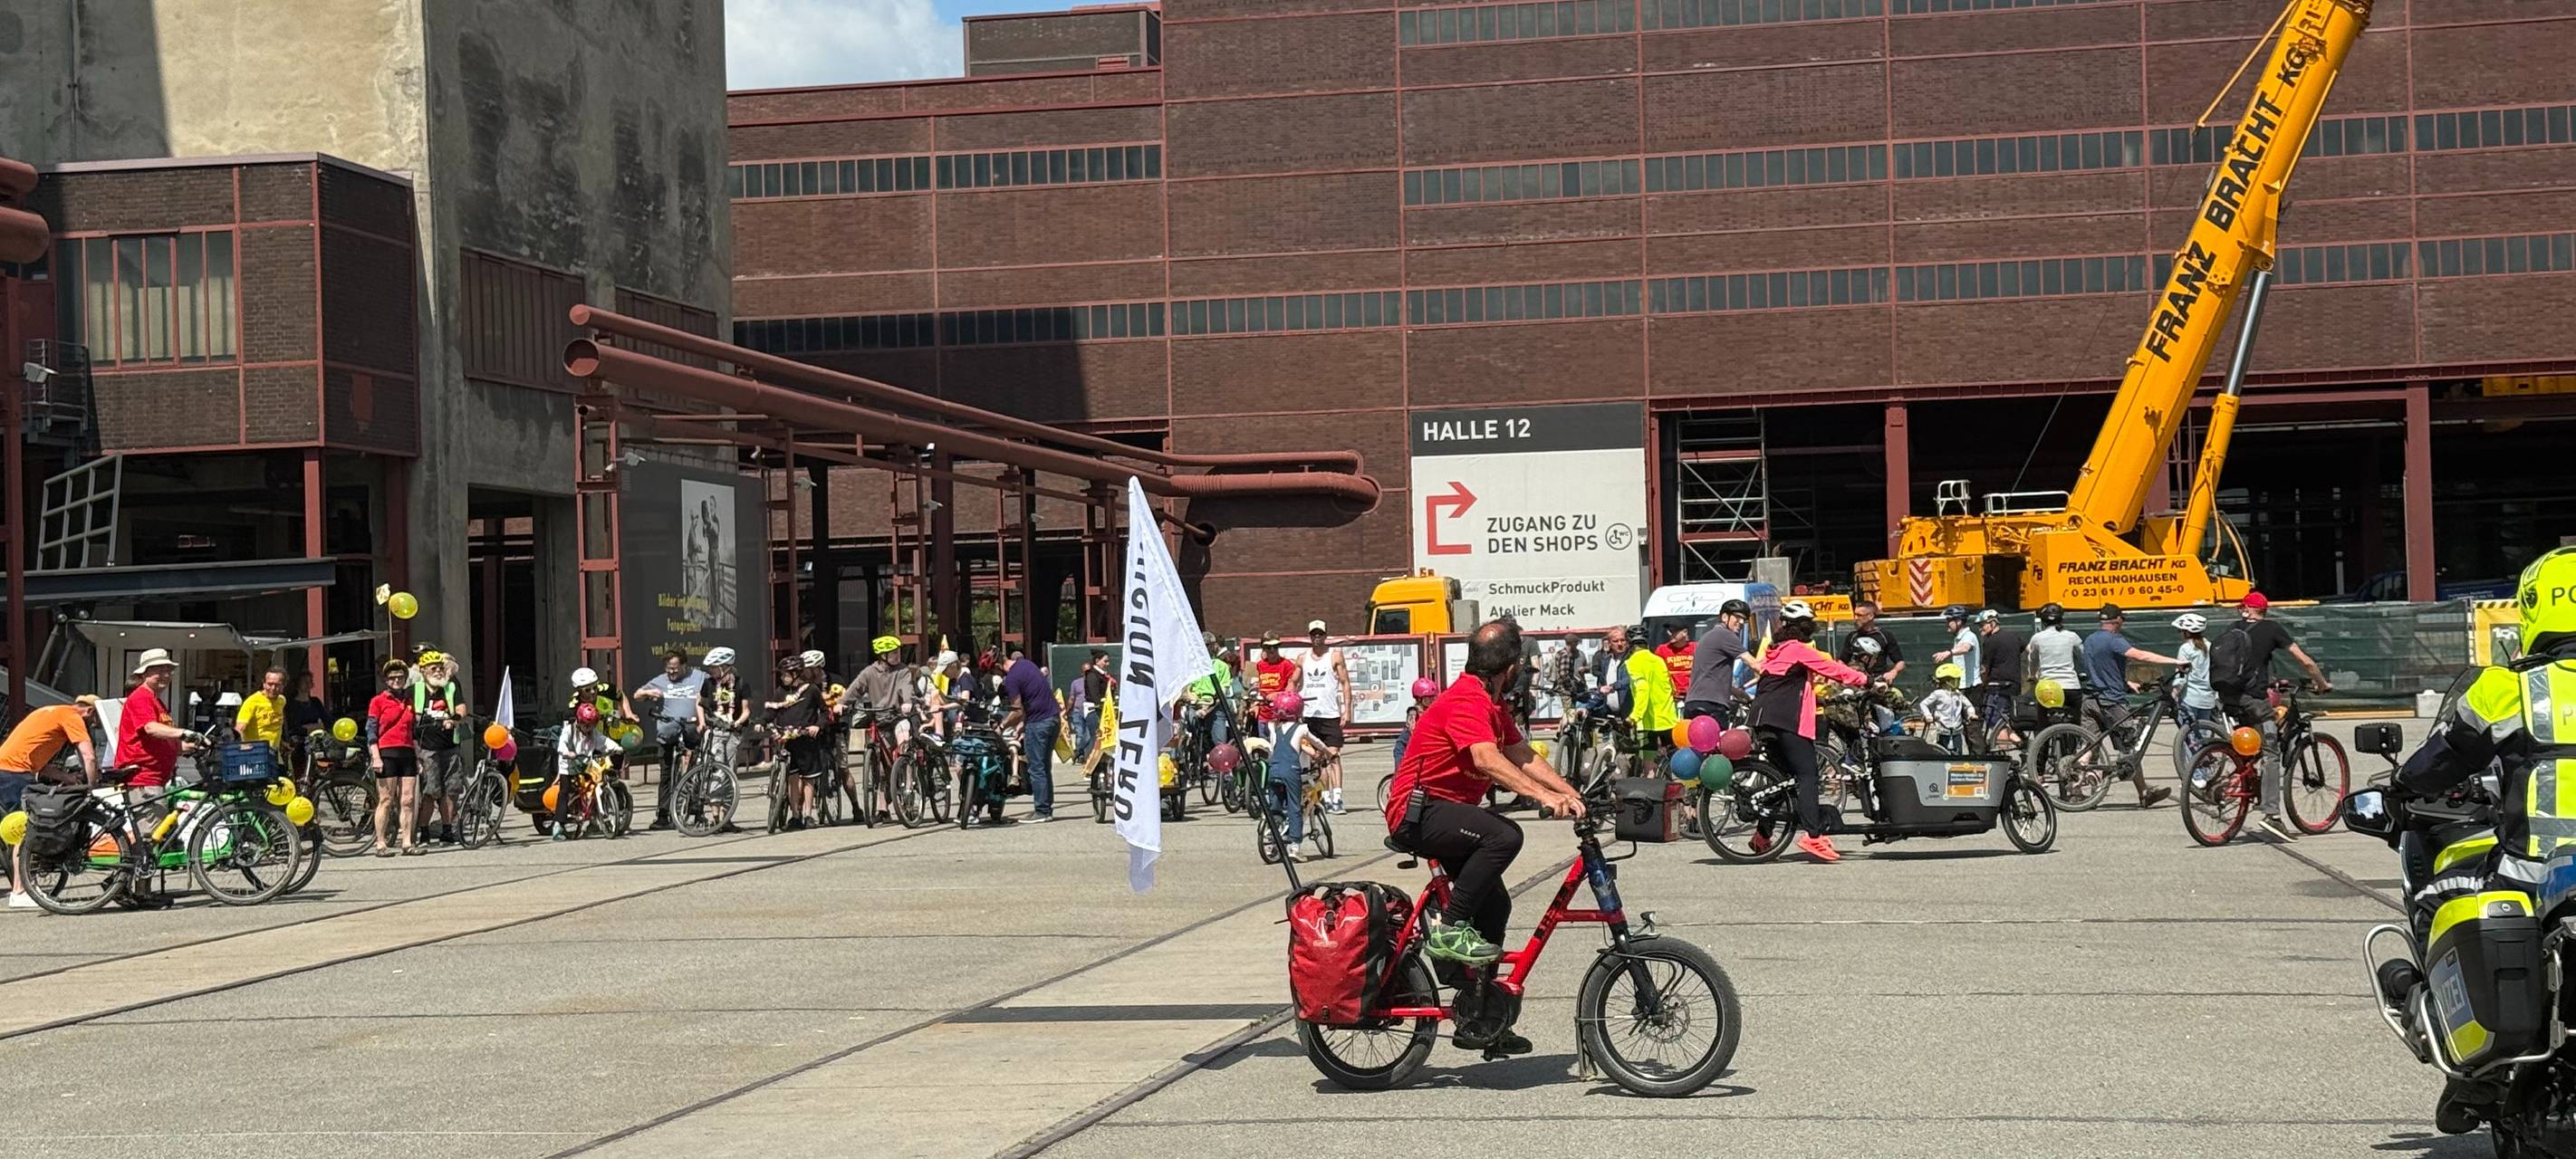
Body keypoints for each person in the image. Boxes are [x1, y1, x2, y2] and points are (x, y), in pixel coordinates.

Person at [2387, 548, 2576, 1135]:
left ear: (2533, 608)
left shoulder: (2507, 688)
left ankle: (2477, 1070)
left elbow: (2442, 758)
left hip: (2534, 870)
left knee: (2439, 901)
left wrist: (2402, 789)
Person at [1384, 618, 1585, 1055]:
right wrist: (1541, 796)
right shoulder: (1466, 701)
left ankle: (1482, 1016)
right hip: (1418, 813)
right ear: (1510, 669)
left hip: (1448, 814)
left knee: (1495, 906)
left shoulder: (1492, 705)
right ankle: (1448, 930)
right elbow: (1486, 759)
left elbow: (1520, 753)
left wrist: (1569, 793)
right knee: (1504, 836)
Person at [1748, 600, 1874, 864]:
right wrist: (1867, 680)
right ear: (1803, 628)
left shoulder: (1775, 650)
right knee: (1808, 775)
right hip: (1786, 720)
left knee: (1783, 780)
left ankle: (1762, 836)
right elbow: (1832, 669)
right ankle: (1813, 836)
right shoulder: (1797, 649)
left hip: (1763, 720)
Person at [2215, 590, 2331, 841]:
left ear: (2248, 609)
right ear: (2264, 610)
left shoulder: (2233, 629)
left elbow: (2243, 665)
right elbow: (2305, 661)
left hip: (2228, 698)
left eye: (2242, 607)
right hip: (2254, 700)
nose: (2240, 611)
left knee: (2249, 747)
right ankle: (2272, 816)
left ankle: (2243, 781)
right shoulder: (2272, 628)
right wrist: (2322, 683)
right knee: (2271, 751)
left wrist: (2271, 680)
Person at [1, 694, 102, 907]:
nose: (93, 726)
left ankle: (24, 887)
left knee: (24, 825)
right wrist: (92, 785)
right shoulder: (73, 717)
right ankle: (20, 892)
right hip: (14, 773)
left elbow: (38, 763)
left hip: (10, 769)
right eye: (95, 721)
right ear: (89, 711)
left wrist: (67, 778)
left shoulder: (50, 712)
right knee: (27, 828)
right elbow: (89, 756)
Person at [2081, 605, 2178, 809]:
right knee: (2131, 746)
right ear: (2117, 621)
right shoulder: (2114, 640)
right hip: (2111, 701)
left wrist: (2126, 682)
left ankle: (2075, 790)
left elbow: (2101, 667)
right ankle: (2142, 792)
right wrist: (2175, 661)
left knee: (2090, 745)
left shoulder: (2089, 640)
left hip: (2091, 698)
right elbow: (2141, 656)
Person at [839, 637, 918, 823]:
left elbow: (906, 688)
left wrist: (907, 702)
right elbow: (855, 688)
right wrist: (842, 703)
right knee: (881, 769)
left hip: (898, 717)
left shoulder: (903, 671)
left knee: (904, 741)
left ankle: (908, 785)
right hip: (879, 719)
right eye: (893, 653)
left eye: (898, 652)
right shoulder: (870, 672)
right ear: (883, 655)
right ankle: (882, 809)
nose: (898, 655)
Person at [633, 649, 710, 831]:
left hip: (691, 728)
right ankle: (663, 815)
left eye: (675, 668)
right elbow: (637, 695)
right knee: (666, 775)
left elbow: (714, 689)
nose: (671, 672)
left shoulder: (699, 677)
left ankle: (696, 811)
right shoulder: (660, 680)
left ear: (684, 665)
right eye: (668, 669)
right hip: (667, 731)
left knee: (696, 770)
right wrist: (649, 692)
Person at [116, 649, 202, 795]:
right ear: (145, 673)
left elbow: (166, 742)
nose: (166, 675)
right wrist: (185, 732)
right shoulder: (141, 697)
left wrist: (196, 744)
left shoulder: (156, 701)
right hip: (143, 780)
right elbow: (150, 728)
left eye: (168, 671)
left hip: (156, 779)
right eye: (160, 671)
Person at [1264, 692, 1332, 862]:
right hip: (1290, 771)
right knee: (1295, 807)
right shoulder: (1301, 728)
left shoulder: (1272, 727)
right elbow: (1317, 743)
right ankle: (1295, 847)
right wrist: (1328, 753)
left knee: (1275, 806)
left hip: (1273, 770)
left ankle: (1270, 834)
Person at [366, 658, 423, 856]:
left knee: (408, 799)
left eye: (400, 677)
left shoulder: (408, 702)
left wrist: (418, 757)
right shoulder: (378, 701)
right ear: (386, 680)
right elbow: (371, 730)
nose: (397, 680)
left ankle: (407, 842)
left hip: (407, 752)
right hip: (386, 752)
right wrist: (376, 757)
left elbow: (413, 731)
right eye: (392, 678)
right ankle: (380, 843)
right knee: (386, 800)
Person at [997, 647, 1060, 823]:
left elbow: (1017, 710)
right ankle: (1046, 808)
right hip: (1053, 719)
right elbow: (1034, 699)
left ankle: (1042, 810)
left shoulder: (1011, 679)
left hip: (1038, 723)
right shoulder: (1026, 664)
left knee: (1036, 768)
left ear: (998, 666)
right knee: (1044, 767)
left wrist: (1002, 726)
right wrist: (1022, 726)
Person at [1297, 620, 1353, 813]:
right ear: (1309, 636)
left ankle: (1338, 798)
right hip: (1310, 714)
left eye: (1320, 634)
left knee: (1334, 756)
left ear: (1325, 636)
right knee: (1319, 759)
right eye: (1314, 634)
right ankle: (1326, 798)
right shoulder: (1302, 659)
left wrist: (1347, 710)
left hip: (1330, 714)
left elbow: (1345, 683)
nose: (1317, 637)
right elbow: (1293, 682)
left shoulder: (1334, 656)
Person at [768, 654, 828, 829]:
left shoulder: (812, 690)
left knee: (808, 778)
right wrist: (762, 721)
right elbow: (772, 710)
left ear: (796, 674)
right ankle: (795, 815)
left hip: (806, 738)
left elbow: (824, 711)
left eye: (785, 674)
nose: (782, 678)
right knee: (792, 778)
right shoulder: (780, 691)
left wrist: (817, 726)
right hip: (788, 739)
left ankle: (808, 814)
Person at [553, 702, 620, 841]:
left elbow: (603, 741)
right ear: (579, 722)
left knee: (595, 783)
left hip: (585, 763)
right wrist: (567, 753)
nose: (590, 729)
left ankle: (594, 818)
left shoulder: (593, 733)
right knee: (565, 791)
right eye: (587, 725)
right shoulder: (569, 730)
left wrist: (616, 747)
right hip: (568, 765)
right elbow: (562, 745)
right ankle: (558, 825)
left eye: (593, 725)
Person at [1681, 599, 1754, 724]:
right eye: (1738, 617)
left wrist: (1744, 696)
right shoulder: (1726, 635)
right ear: (1724, 617)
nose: (1742, 622)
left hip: (1692, 703)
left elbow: (1715, 680)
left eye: (1744, 619)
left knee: (1694, 737)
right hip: (1712, 706)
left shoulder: (1708, 636)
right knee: (1719, 736)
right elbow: (1753, 663)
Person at [1975, 609, 2027, 744]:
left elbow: (1985, 668)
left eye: (1982, 625)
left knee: (1995, 719)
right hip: (2014, 685)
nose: (1980, 629)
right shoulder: (2014, 636)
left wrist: (1982, 684)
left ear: (1993, 623)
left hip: (1998, 685)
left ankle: (2008, 749)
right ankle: (2019, 741)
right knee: (2007, 717)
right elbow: (2028, 649)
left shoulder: (1990, 641)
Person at [2170, 613, 2220, 732]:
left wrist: (2174, 694)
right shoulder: (2210, 646)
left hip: (2190, 697)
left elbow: (2182, 674)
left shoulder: (2186, 648)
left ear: (2187, 632)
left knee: (2188, 733)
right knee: (2204, 733)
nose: (2179, 633)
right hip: (2208, 698)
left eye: (2180, 630)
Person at [232, 667, 289, 759]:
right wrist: (242, 746)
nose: (273, 688)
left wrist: (282, 743)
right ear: (264, 684)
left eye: (277, 685)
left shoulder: (281, 701)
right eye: (270, 684)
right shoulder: (252, 702)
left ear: (283, 685)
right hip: (255, 754)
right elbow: (239, 728)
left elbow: (272, 727)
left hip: (274, 754)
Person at [1918, 664, 1975, 753]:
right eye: (1956, 680)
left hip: (1956, 731)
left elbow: (1969, 705)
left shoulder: (1959, 695)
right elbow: (1924, 704)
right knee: (1942, 752)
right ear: (1947, 681)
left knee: (1958, 753)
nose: (1958, 682)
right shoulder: (1938, 694)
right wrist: (1928, 715)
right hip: (1942, 730)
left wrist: (1971, 713)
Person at [1250, 634, 1296, 737]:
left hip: (1281, 715)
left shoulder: (1287, 665)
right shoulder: (1260, 665)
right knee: (1264, 745)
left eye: (1275, 647)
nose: (1272, 650)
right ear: (1264, 648)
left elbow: (1292, 691)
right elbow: (1256, 686)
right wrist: (1255, 704)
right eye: (1268, 647)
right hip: (1263, 714)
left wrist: (1277, 694)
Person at [1929, 604, 1980, 688]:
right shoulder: (1959, 637)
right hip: (1962, 685)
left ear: (1959, 621)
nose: (1947, 624)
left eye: (1949, 620)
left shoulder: (1969, 635)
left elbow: (1965, 648)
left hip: (1971, 687)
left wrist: (1948, 653)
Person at [1654, 624, 1695, 704]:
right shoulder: (1662, 650)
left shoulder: (1696, 648)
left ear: (1685, 632)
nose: (1670, 634)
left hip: (1692, 696)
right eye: (1669, 631)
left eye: (1673, 631)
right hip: (1671, 698)